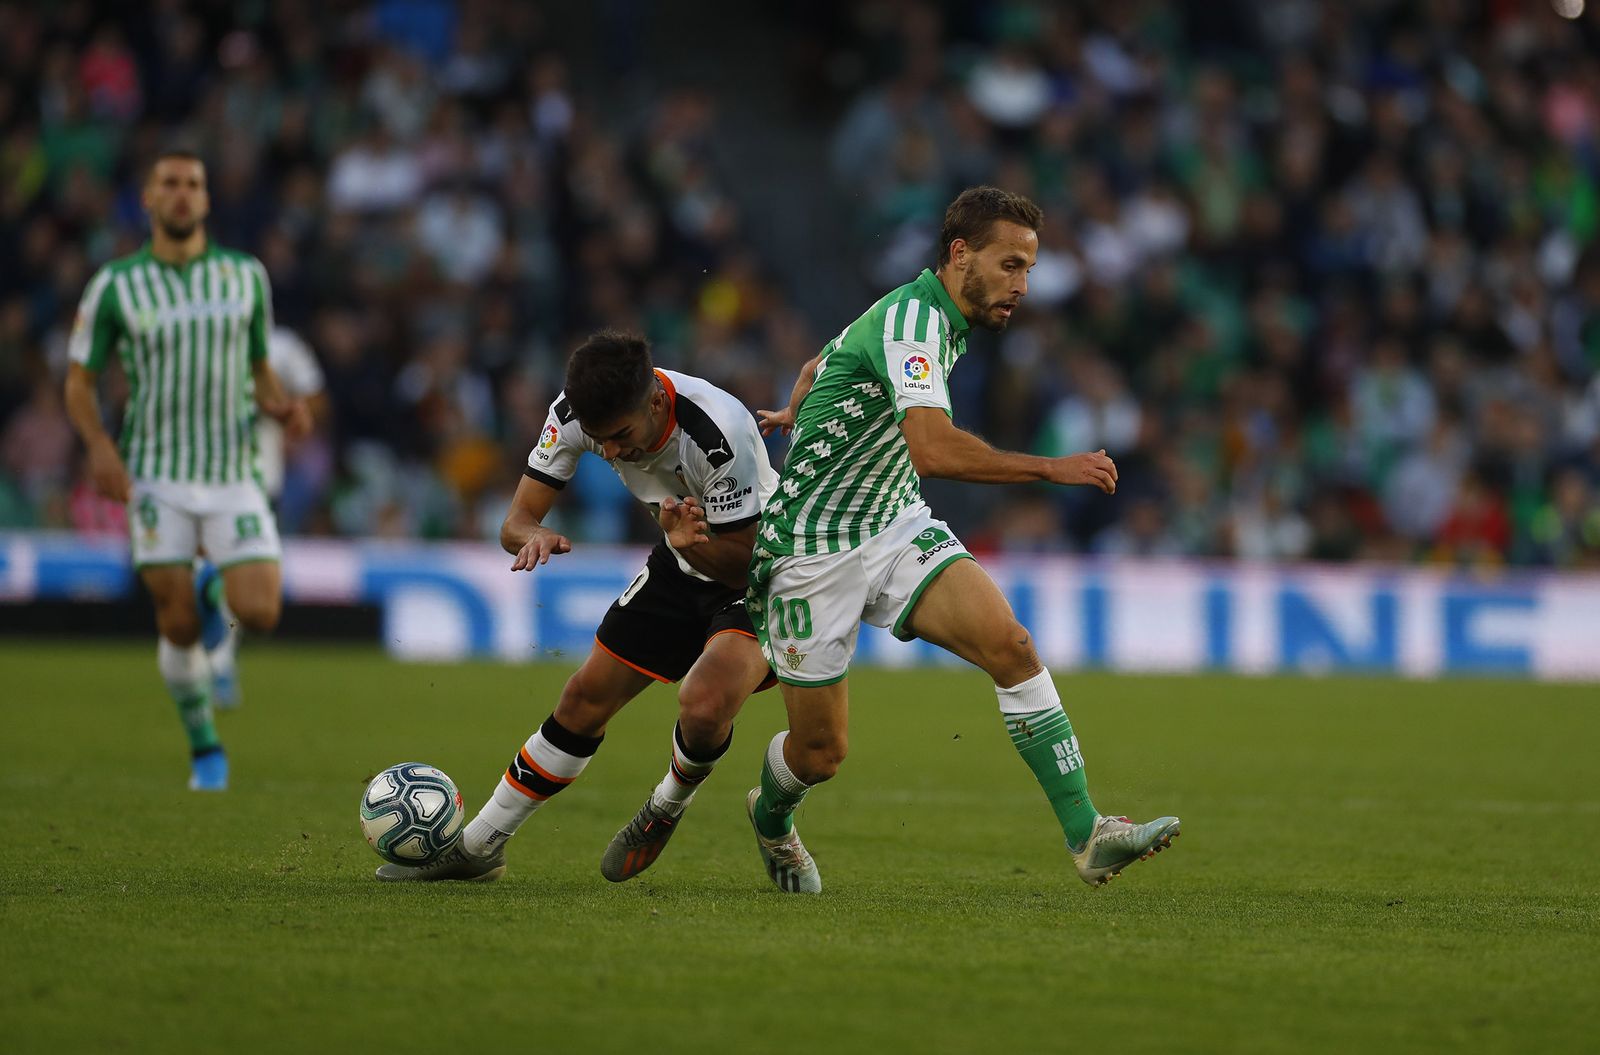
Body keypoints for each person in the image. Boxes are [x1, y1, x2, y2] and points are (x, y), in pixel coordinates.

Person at [745, 186, 1179, 893]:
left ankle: (1088, 834)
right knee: (820, 753)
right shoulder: (915, 323)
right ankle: (770, 815)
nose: (1022, 285)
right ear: (959, 254)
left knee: (1012, 646)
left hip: (892, 522)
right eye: (1010, 265)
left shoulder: (930, 316)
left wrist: (800, 405)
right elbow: (933, 449)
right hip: (812, 547)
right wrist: (1050, 468)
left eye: (1029, 269)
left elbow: (821, 362)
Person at [375, 330, 777, 882]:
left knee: (704, 704)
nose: (609, 452)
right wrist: (532, 534)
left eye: (620, 436)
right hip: (682, 554)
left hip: (760, 570)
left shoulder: (717, 431)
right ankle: (480, 847)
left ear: (654, 403)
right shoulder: (572, 413)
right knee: (583, 697)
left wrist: (686, 543)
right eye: (598, 439)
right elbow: (514, 524)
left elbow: (743, 563)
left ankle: (666, 803)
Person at [62, 149, 310, 791]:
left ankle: (211, 588)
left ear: (206, 199)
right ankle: (205, 749)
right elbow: (80, 380)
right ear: (148, 198)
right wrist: (98, 446)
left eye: (192, 183)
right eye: (168, 183)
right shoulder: (116, 285)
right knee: (175, 623)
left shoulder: (245, 276)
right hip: (154, 473)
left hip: (233, 471)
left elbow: (259, 368)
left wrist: (282, 407)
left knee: (261, 612)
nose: (181, 193)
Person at [195, 324, 326, 709]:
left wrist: (284, 409)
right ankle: (217, 654)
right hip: (202, 472)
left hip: (258, 477)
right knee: (213, 569)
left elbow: (316, 402)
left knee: (238, 574)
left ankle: (220, 660)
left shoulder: (281, 346)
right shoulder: (198, 337)